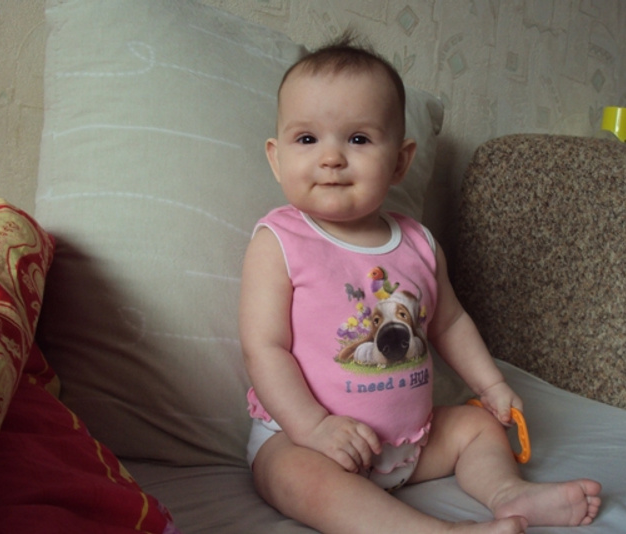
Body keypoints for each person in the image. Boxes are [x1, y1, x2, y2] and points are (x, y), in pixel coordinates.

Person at [239, 33, 602, 534]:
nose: (332, 158)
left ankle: (508, 493)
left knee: (477, 427)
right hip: (307, 441)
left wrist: (491, 385)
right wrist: (314, 427)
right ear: (276, 157)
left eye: (358, 139)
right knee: (298, 478)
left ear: (400, 161)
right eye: (307, 139)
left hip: (412, 443)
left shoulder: (418, 243)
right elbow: (264, 348)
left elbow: (449, 323)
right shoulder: (279, 240)